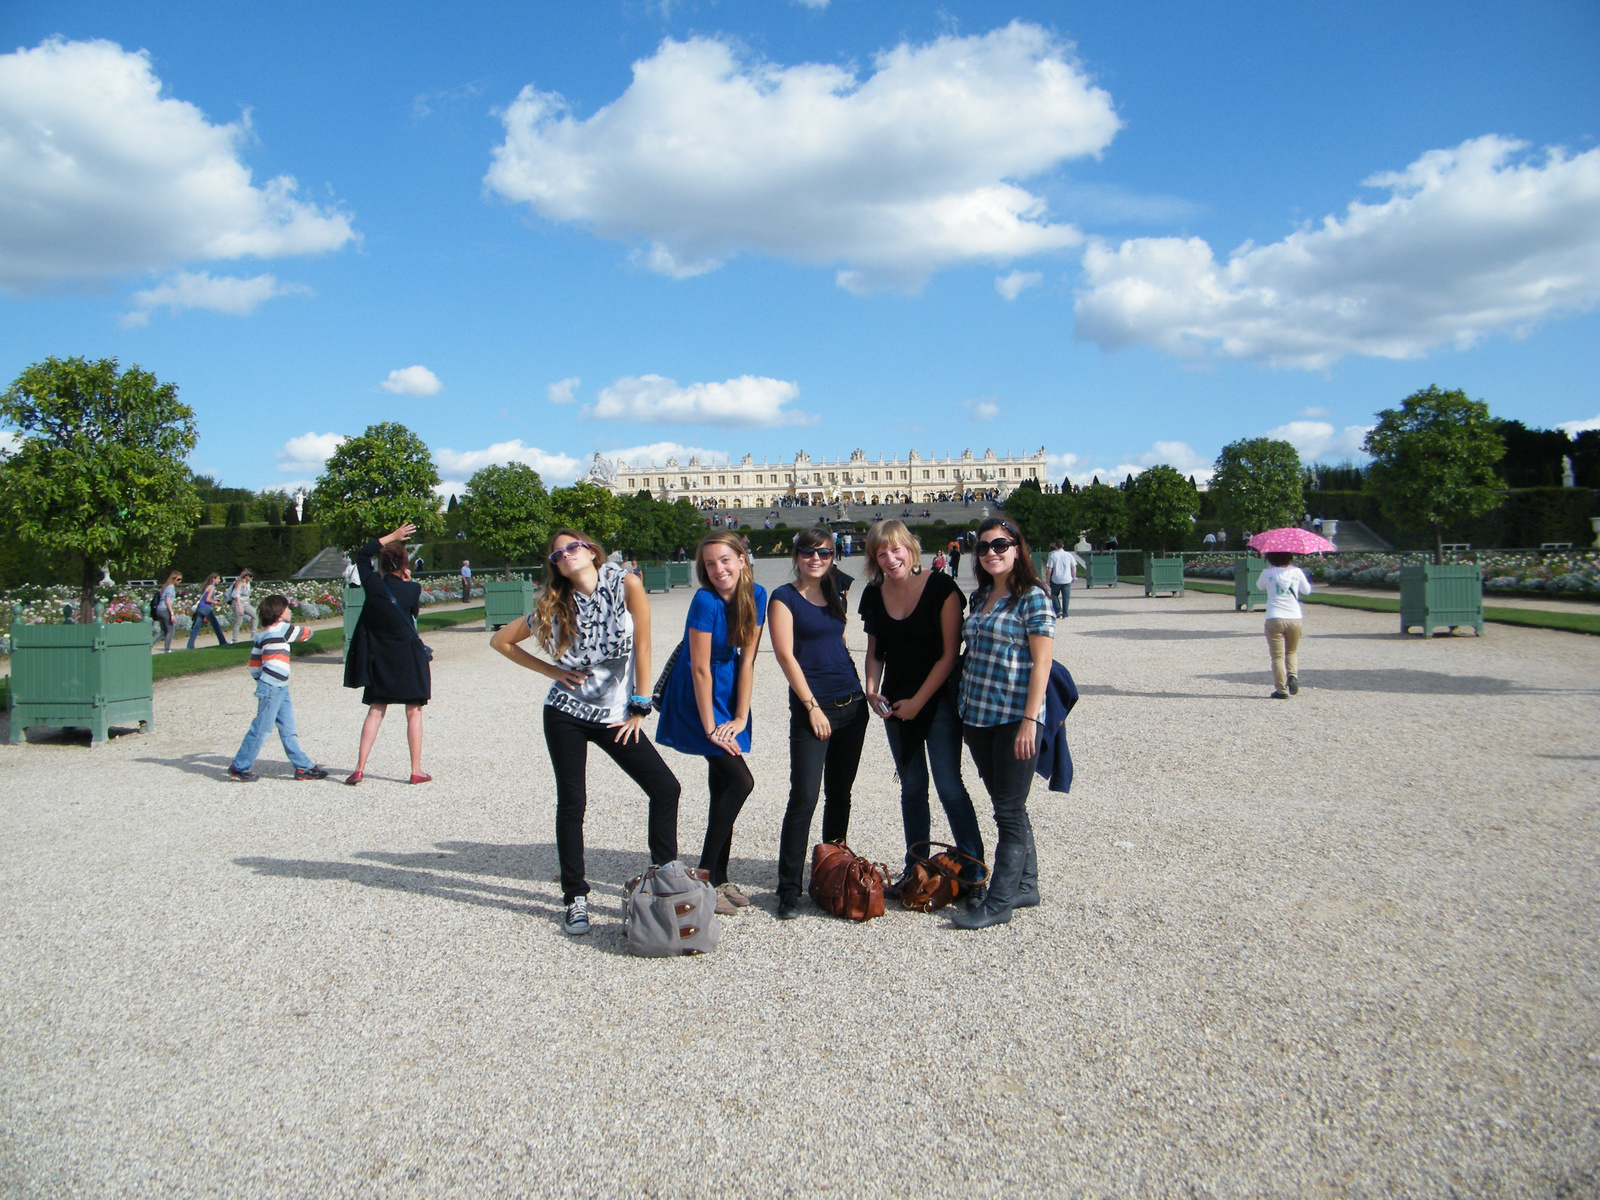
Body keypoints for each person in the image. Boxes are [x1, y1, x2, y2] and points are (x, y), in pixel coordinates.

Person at [491, 528, 680, 936]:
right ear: (555, 566)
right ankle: (575, 897)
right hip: (565, 712)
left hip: (615, 714)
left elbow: (644, 646)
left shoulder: (625, 582)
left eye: (572, 546)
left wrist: (640, 706)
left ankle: (666, 878)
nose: (566, 554)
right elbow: (501, 641)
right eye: (558, 554)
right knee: (573, 803)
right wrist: (552, 671)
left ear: (591, 551)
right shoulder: (554, 605)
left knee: (666, 788)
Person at [859, 520, 984, 904]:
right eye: (881, 553)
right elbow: (876, 651)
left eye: (895, 550)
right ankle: (916, 866)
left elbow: (950, 654)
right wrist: (870, 688)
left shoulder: (941, 587)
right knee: (912, 788)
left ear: (911, 549)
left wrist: (919, 702)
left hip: (938, 698)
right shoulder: (875, 592)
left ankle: (976, 872)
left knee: (948, 785)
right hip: (896, 701)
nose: (890, 558)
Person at [655, 531, 767, 916]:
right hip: (697, 695)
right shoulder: (704, 600)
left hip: (728, 690)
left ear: (741, 558)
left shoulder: (758, 595)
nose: (718, 569)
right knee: (740, 780)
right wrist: (710, 728)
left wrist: (739, 716)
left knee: (724, 786)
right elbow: (699, 668)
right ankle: (705, 875)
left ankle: (719, 877)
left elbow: (748, 660)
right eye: (709, 563)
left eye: (724, 560)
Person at [954, 517, 1054, 930]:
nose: (992, 552)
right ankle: (1026, 883)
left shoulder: (1032, 597)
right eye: (983, 547)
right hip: (976, 716)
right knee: (1005, 804)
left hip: (1015, 718)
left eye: (1000, 545)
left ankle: (999, 903)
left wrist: (1031, 719)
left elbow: (1042, 662)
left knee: (1008, 811)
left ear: (1018, 549)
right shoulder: (978, 598)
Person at [769, 528, 868, 921]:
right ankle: (788, 889)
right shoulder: (784, 597)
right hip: (816, 708)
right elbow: (785, 656)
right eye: (809, 552)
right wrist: (811, 706)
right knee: (804, 797)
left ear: (833, 555)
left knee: (840, 794)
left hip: (853, 703)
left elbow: (840, 638)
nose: (816, 558)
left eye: (824, 553)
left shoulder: (836, 590)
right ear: (797, 555)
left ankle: (833, 872)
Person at [343, 522, 432, 785]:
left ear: (382, 565)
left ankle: (360, 767)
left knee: (375, 710)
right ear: (405, 566)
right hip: (408, 657)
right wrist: (409, 582)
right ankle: (416, 770)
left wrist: (391, 537)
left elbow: (361, 555)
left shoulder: (373, 585)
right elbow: (412, 615)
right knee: (413, 712)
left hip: (380, 658)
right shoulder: (413, 589)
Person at [226, 593, 328, 782]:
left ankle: (302, 766)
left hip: (276, 686)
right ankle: (239, 766)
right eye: (287, 608)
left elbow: (254, 666)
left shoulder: (262, 635)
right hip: (274, 688)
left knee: (287, 727)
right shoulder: (282, 629)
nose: (290, 611)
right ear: (280, 613)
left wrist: (262, 680)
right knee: (261, 729)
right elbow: (307, 634)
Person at [1259, 551, 1312, 699]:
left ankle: (1281, 689)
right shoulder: (1296, 572)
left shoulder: (1267, 573)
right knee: (1291, 652)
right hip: (1294, 617)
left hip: (1274, 617)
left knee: (1277, 656)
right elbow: (1306, 591)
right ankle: (1293, 676)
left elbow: (1259, 587)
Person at [185, 573, 230, 649]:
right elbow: (208, 599)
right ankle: (222, 641)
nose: (219, 581)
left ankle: (190, 646)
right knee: (216, 625)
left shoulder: (207, 586)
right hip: (205, 608)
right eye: (218, 579)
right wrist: (215, 602)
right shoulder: (212, 587)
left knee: (197, 627)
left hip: (200, 608)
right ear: (213, 579)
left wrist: (214, 599)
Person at [1045, 541, 1078, 617]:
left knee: (1054, 595)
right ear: (1063, 546)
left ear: (1055, 546)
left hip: (1056, 578)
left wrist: (1048, 579)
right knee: (1066, 597)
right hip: (1067, 579)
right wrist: (1074, 576)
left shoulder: (1052, 555)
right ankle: (1065, 613)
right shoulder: (1069, 555)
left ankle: (1058, 610)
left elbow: (1049, 568)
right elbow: (1073, 566)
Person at [153, 570, 181, 653]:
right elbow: (167, 600)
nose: (179, 582)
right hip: (164, 610)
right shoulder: (171, 588)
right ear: (173, 579)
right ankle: (167, 649)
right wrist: (171, 614)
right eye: (178, 579)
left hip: (159, 610)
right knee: (170, 630)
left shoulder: (167, 587)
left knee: (163, 631)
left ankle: (150, 645)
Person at [228, 569, 257, 641]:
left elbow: (247, 595)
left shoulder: (248, 583)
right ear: (246, 576)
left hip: (246, 603)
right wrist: (240, 608)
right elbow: (236, 596)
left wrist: (248, 603)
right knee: (238, 622)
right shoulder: (239, 583)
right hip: (238, 604)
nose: (251, 578)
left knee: (255, 615)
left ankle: (253, 634)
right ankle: (234, 639)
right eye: (250, 576)